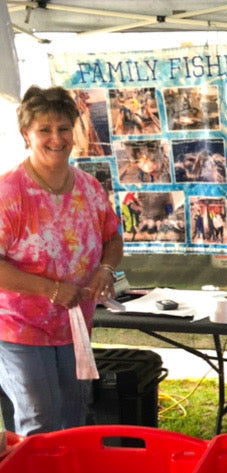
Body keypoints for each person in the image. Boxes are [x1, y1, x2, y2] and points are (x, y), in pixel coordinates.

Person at [0, 85, 123, 437]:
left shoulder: (88, 187)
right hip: (19, 329)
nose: (57, 138)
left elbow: (112, 237)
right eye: (44, 130)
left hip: (75, 327)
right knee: (40, 423)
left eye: (64, 128)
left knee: (75, 422)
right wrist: (51, 290)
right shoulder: (8, 193)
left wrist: (105, 269)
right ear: (26, 135)